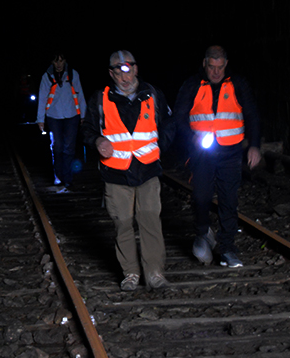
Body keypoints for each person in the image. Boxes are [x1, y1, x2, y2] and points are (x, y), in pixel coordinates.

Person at [82, 50, 174, 291]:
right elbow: (88, 129)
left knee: (150, 220)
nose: (125, 77)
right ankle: (131, 273)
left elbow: (168, 124)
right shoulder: (100, 99)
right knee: (122, 223)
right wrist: (97, 142)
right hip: (116, 173)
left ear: (135, 68)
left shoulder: (152, 94)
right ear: (111, 74)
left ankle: (154, 273)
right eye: (118, 72)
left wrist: (160, 145)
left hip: (147, 169)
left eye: (128, 69)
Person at [173, 45, 261, 268]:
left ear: (226, 65)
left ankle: (228, 248)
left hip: (230, 152)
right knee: (201, 197)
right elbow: (179, 116)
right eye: (212, 67)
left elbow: (252, 115)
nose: (216, 73)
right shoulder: (192, 85)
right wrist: (191, 136)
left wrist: (255, 146)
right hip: (202, 153)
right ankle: (203, 232)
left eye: (220, 68)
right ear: (204, 64)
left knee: (228, 200)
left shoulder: (238, 85)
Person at [36, 52, 87, 189]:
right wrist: (40, 119)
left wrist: (83, 114)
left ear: (65, 61)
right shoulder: (47, 76)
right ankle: (58, 175)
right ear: (52, 62)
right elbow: (42, 98)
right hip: (53, 116)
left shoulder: (73, 74)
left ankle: (67, 178)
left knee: (69, 148)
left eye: (61, 60)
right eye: (56, 61)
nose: (58, 64)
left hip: (72, 115)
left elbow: (80, 94)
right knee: (57, 147)